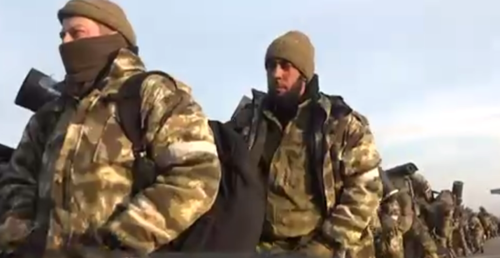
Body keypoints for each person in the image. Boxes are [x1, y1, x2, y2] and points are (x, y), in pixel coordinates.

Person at [0, 0, 221, 257]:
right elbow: (17, 179)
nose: (65, 43)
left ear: (111, 36)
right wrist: (21, 239)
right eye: (62, 35)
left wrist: (120, 242)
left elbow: (198, 174)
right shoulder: (52, 113)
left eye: (77, 33)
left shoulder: (150, 94)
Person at [229, 30, 383, 258]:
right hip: (258, 246)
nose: (276, 74)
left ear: (304, 74)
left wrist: (326, 245)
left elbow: (366, 189)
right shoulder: (248, 120)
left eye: (284, 66)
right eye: (270, 66)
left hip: (319, 245)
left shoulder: (339, 123)